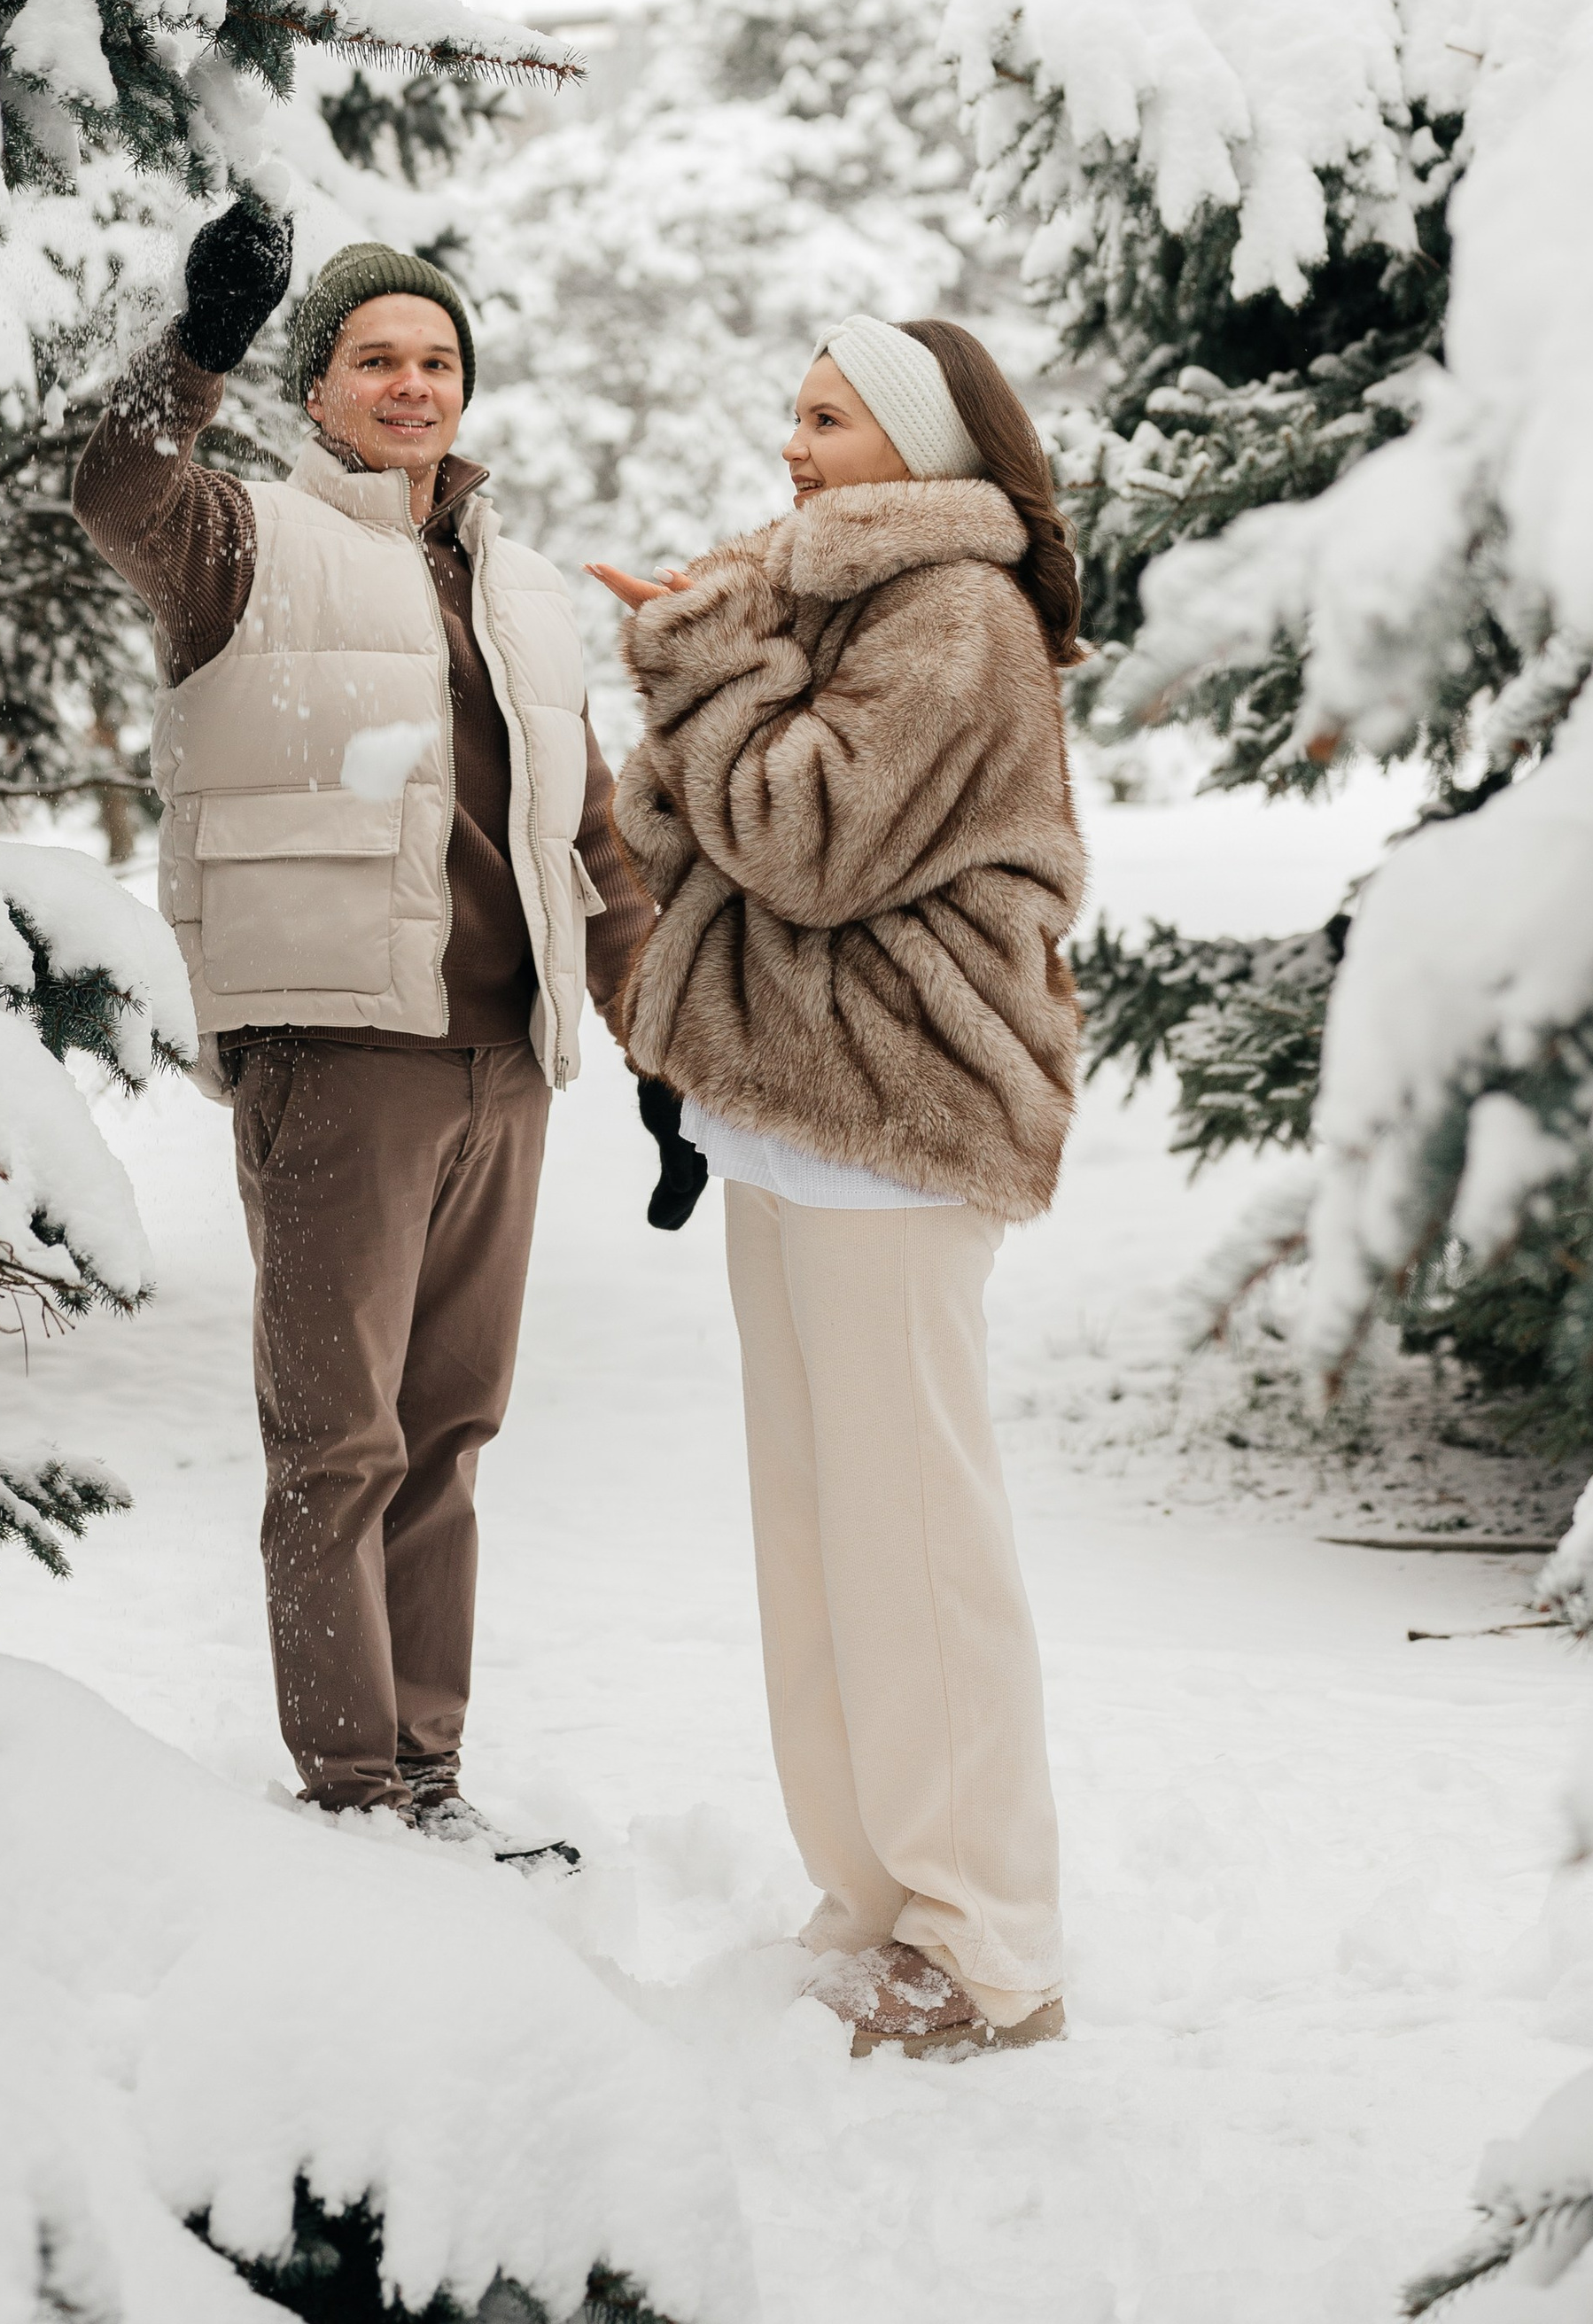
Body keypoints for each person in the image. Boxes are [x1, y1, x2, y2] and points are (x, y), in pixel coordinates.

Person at [75, 201, 652, 1852]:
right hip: (339, 1052)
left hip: (502, 1064)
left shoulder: (524, 587)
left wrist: (657, 1037)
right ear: (316, 390)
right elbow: (110, 489)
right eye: (376, 359)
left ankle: (429, 1776)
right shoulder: (240, 541)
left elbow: (590, 837)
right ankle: (351, 1794)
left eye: (439, 359)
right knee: (338, 1440)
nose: (413, 385)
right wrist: (197, 347)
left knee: (452, 1436)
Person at [590, 315, 1084, 2057]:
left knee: (916, 1543)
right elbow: (681, 819)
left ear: (915, 439)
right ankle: (872, 1894)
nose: (789, 442)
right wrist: (703, 671)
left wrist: (704, 656)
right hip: (791, 1116)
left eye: (824, 416)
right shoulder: (824, 599)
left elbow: (804, 839)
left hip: (901, 1118)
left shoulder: (951, 607)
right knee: (815, 1537)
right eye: (787, 412)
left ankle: (988, 1946)